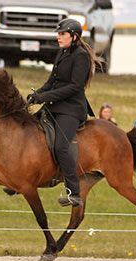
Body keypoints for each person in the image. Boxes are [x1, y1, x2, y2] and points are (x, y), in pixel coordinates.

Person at [27, 18, 99, 207]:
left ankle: (73, 192)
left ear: (74, 37)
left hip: (71, 110)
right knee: (27, 130)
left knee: (60, 146)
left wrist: (46, 97)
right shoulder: (63, 52)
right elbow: (52, 80)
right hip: (54, 106)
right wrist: (37, 95)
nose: (58, 37)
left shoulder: (81, 56)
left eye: (62, 34)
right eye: (58, 34)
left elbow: (75, 87)